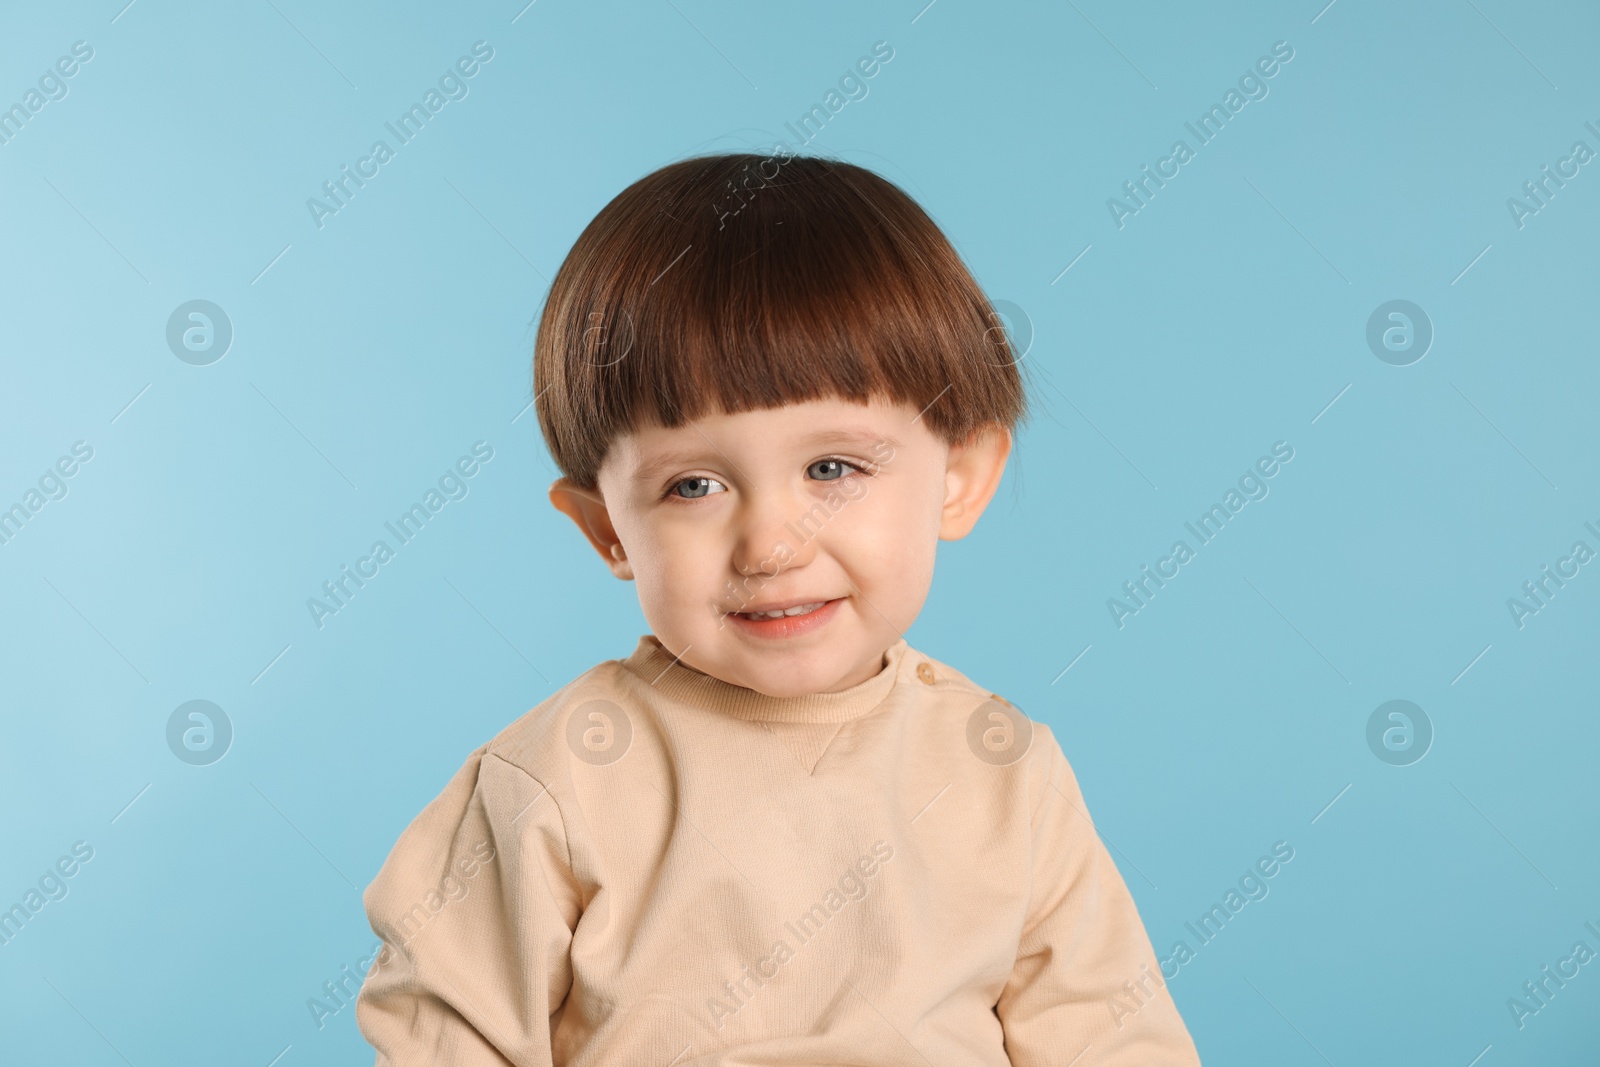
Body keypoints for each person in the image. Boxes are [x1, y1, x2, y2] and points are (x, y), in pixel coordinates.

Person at [355, 150, 1201, 1065]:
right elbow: (443, 1032)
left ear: (958, 479)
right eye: (693, 485)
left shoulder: (1004, 772)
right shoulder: (555, 782)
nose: (771, 544)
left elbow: (1114, 1039)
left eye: (832, 468)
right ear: (608, 530)